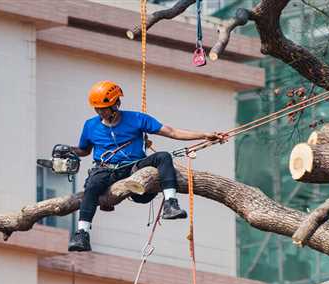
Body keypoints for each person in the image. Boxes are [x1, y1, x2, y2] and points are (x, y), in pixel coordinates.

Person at [67, 80, 225, 252]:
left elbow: (171, 132)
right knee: (92, 185)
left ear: (116, 104)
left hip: (134, 166)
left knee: (163, 157)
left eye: (104, 108)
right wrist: (68, 150)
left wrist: (203, 135)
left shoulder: (136, 119)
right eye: (97, 109)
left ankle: (170, 204)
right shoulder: (90, 125)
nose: (101, 112)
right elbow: (84, 150)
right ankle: (82, 234)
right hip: (106, 169)